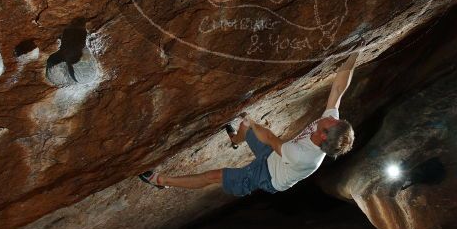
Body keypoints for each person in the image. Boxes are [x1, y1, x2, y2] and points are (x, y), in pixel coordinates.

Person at [138, 50, 360, 195]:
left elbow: (271, 139)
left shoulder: (306, 157)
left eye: (329, 122)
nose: (331, 117)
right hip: (275, 156)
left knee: (213, 176)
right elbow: (339, 89)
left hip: (267, 177)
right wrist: (355, 54)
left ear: (323, 137)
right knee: (243, 126)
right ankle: (236, 140)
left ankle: (160, 181)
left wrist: (253, 122)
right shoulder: (332, 127)